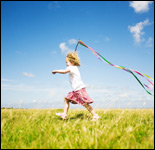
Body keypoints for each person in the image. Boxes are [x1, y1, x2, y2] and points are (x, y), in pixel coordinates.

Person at [52, 52, 99, 121]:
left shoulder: (72, 68)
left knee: (85, 104)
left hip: (79, 89)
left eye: (67, 62)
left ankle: (95, 116)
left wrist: (56, 71)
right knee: (67, 99)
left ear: (72, 62)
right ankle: (64, 114)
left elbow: (65, 71)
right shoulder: (73, 68)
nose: (66, 64)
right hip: (76, 90)